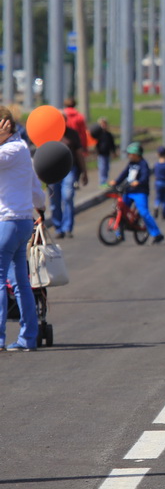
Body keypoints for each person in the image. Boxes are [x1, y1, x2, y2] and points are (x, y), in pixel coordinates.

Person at [0, 109, 46, 351]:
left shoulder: (10, 150)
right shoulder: (22, 150)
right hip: (22, 222)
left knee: (2, 280)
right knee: (20, 282)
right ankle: (27, 338)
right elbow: (35, 189)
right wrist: (41, 207)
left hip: (7, 222)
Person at [108, 142, 164, 244]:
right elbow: (124, 174)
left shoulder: (143, 164)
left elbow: (145, 176)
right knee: (120, 209)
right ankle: (119, 234)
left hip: (140, 191)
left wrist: (138, 182)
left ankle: (157, 234)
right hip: (128, 190)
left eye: (130, 154)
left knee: (143, 212)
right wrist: (116, 181)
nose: (129, 156)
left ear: (136, 154)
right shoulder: (131, 163)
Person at [48, 114, 88, 239]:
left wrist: (84, 172)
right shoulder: (49, 133)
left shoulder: (72, 134)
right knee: (54, 200)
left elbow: (79, 153)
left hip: (69, 169)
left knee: (68, 196)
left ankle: (67, 227)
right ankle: (58, 227)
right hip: (53, 171)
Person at [90, 117, 118, 185]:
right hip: (101, 154)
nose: (104, 126)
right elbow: (94, 143)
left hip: (107, 153)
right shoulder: (98, 134)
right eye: (102, 124)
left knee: (107, 168)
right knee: (102, 168)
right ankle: (102, 181)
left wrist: (114, 152)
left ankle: (105, 180)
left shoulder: (108, 134)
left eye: (105, 124)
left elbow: (112, 144)